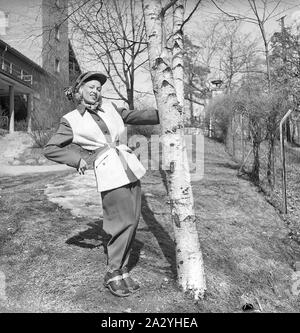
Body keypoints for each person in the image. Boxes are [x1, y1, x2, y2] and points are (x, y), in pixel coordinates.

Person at [44, 71, 159, 297]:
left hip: (129, 167)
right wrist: (77, 160)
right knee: (121, 222)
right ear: (79, 91)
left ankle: (123, 269)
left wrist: (165, 113)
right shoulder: (71, 120)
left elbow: (136, 115)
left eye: (98, 88)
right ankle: (113, 272)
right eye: (91, 87)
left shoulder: (112, 109)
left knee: (133, 220)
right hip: (109, 171)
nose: (96, 91)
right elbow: (50, 148)